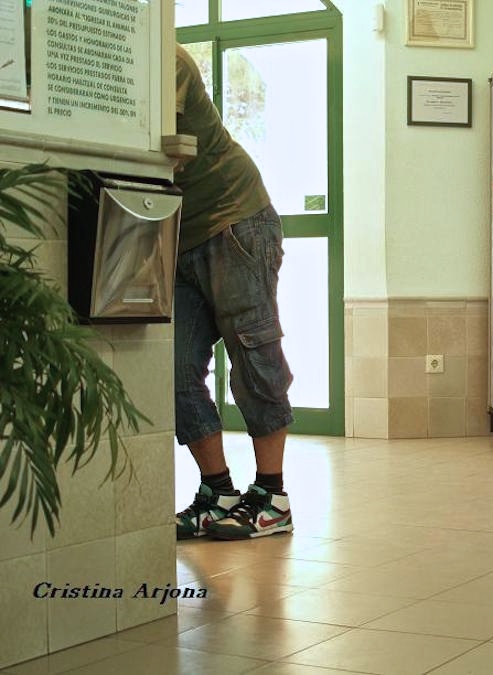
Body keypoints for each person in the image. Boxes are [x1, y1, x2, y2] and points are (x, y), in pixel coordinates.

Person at [172, 43, 294, 540]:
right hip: (178, 235)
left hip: (235, 221)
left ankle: (272, 495)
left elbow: (154, 145)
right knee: (174, 369)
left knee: (254, 357)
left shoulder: (162, 55)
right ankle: (218, 491)